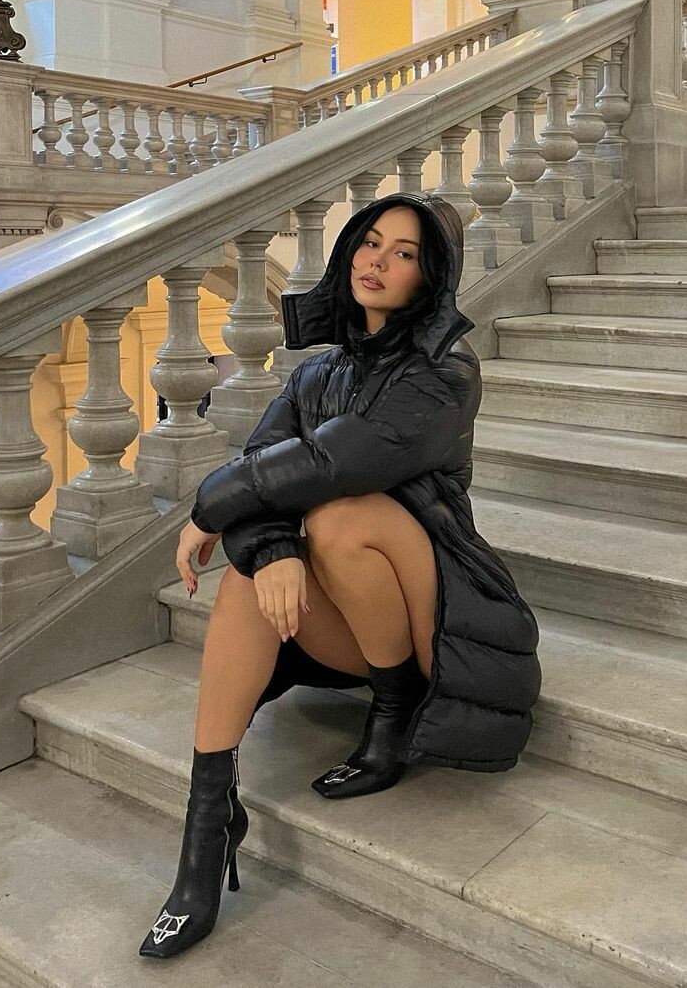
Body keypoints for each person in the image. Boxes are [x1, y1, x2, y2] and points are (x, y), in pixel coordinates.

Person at [139, 191, 543, 959]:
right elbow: (262, 466)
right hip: (355, 622)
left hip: (437, 612)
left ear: (430, 277)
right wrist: (271, 551)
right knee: (251, 570)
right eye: (370, 241)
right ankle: (208, 826)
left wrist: (210, 505)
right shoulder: (316, 375)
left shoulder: (446, 373)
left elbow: (336, 462)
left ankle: (393, 713)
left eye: (404, 253)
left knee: (336, 514)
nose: (377, 260)